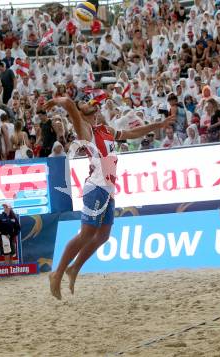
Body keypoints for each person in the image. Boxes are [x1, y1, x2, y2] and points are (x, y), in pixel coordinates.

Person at [45, 97, 174, 300]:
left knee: (103, 235)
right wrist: (55, 101)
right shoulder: (86, 130)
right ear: (86, 113)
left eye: (93, 105)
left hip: (108, 189)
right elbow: (70, 104)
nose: (92, 105)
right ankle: (58, 272)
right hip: (95, 186)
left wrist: (157, 124)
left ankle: (74, 268)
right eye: (87, 105)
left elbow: (132, 133)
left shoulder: (106, 130)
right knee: (87, 233)